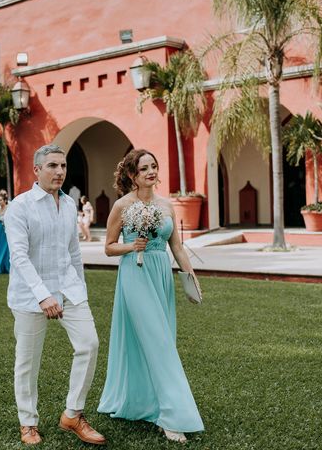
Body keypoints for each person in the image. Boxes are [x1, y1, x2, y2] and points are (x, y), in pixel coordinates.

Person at [97, 149, 204, 443]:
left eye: (154, 166)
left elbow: (178, 248)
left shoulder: (166, 205)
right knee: (158, 342)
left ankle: (150, 404)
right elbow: (108, 247)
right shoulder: (122, 205)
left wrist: (190, 277)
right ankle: (171, 416)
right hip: (134, 275)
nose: (151, 172)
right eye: (144, 168)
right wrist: (133, 246)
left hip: (160, 276)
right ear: (133, 175)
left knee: (163, 338)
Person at [4, 144, 106, 446]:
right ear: (36, 170)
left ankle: (73, 414)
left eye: (62, 166)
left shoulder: (70, 205)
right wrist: (43, 295)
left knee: (89, 344)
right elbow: (19, 257)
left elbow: (74, 252)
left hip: (69, 288)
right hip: (30, 296)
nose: (59, 171)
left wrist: (81, 290)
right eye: (52, 166)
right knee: (28, 361)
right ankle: (28, 422)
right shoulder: (20, 206)